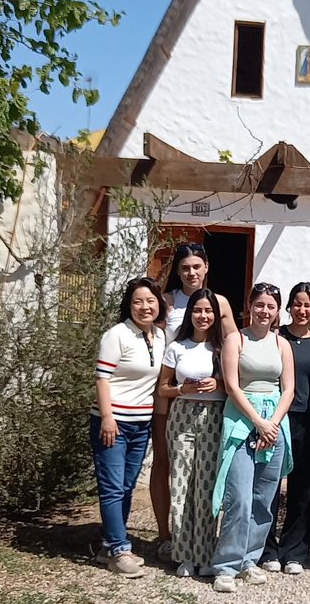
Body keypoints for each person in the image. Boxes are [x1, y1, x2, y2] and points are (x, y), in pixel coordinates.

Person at [152, 242, 237, 560]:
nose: (191, 273)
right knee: (166, 464)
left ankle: (202, 540)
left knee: (204, 469)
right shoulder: (167, 302)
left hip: (210, 397)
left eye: (197, 267)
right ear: (177, 270)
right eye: (185, 268)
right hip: (172, 391)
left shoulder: (219, 302)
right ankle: (167, 536)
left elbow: (233, 343)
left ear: (206, 268)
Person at [210, 283, 295, 593]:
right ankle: (226, 565)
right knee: (240, 498)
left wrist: (272, 425)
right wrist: (258, 422)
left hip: (274, 425)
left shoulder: (281, 344)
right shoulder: (236, 339)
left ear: (277, 311)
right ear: (249, 306)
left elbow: (288, 389)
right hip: (242, 422)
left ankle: (250, 559)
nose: (264, 311)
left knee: (263, 499)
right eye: (259, 304)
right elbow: (232, 385)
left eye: (271, 306)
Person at [91, 277, 166, 578]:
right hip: (113, 422)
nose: (144, 307)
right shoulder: (116, 335)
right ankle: (120, 550)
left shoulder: (160, 336)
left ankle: (108, 545)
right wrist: (107, 417)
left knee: (126, 486)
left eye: (150, 301)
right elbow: (102, 378)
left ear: (159, 304)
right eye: (138, 301)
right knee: (112, 487)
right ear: (128, 305)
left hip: (141, 423)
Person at [157, 288, 225, 578]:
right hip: (182, 415)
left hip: (213, 416)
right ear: (190, 314)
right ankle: (183, 553)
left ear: (216, 315)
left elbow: (234, 385)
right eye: (198, 310)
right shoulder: (177, 347)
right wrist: (182, 389)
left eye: (208, 311)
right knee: (182, 482)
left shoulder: (222, 348)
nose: (203, 316)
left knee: (206, 485)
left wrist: (218, 385)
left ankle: (205, 553)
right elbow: (163, 388)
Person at [262, 282, 310, 575]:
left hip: (307, 420)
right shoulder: (275, 337)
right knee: (269, 484)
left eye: (308, 305)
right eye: (297, 304)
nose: (302, 310)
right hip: (276, 418)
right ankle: (267, 548)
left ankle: (295, 550)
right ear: (288, 307)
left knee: (304, 487)